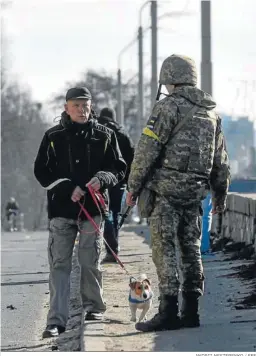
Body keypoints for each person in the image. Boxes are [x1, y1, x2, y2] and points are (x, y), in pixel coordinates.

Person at [126, 54, 230, 332]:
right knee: (191, 248)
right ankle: (192, 311)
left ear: (168, 78)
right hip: (195, 193)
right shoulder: (211, 114)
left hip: (166, 192)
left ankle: (169, 311)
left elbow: (147, 150)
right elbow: (220, 161)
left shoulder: (167, 107)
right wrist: (220, 195)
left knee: (165, 249)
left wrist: (133, 187)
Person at [34, 87, 126, 338]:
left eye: (85, 105)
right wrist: (66, 188)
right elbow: (42, 172)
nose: (82, 110)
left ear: (91, 106)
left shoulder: (105, 135)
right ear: (66, 108)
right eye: (76, 105)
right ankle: (55, 321)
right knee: (59, 265)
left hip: (93, 210)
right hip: (61, 210)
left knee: (90, 261)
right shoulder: (52, 136)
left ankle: (94, 308)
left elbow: (118, 168)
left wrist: (102, 178)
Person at [97, 107, 134, 263]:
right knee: (114, 213)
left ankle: (110, 249)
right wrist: (130, 182)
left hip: (102, 180)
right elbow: (132, 158)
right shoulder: (123, 133)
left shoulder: (97, 131)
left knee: (104, 215)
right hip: (119, 180)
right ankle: (114, 249)